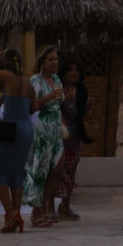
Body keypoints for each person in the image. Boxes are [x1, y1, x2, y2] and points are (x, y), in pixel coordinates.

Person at [0, 47, 35, 232]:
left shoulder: (9, 78)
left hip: (12, 128)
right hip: (27, 129)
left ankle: (10, 211)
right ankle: (14, 218)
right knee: (16, 173)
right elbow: (34, 108)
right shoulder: (28, 82)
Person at [25, 46, 66, 227]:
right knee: (41, 171)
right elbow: (32, 106)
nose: (54, 63)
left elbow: (60, 102)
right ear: (42, 62)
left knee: (57, 169)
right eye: (50, 59)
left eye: (56, 59)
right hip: (41, 128)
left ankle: (48, 204)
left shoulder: (57, 79)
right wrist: (48, 97)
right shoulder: (35, 80)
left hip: (55, 128)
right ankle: (37, 211)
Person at [45, 59, 90, 222]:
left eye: (77, 70)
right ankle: (50, 206)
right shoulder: (57, 90)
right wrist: (64, 100)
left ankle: (65, 205)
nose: (74, 73)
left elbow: (81, 114)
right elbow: (50, 108)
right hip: (59, 136)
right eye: (70, 69)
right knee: (56, 172)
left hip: (75, 136)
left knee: (71, 171)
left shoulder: (81, 90)